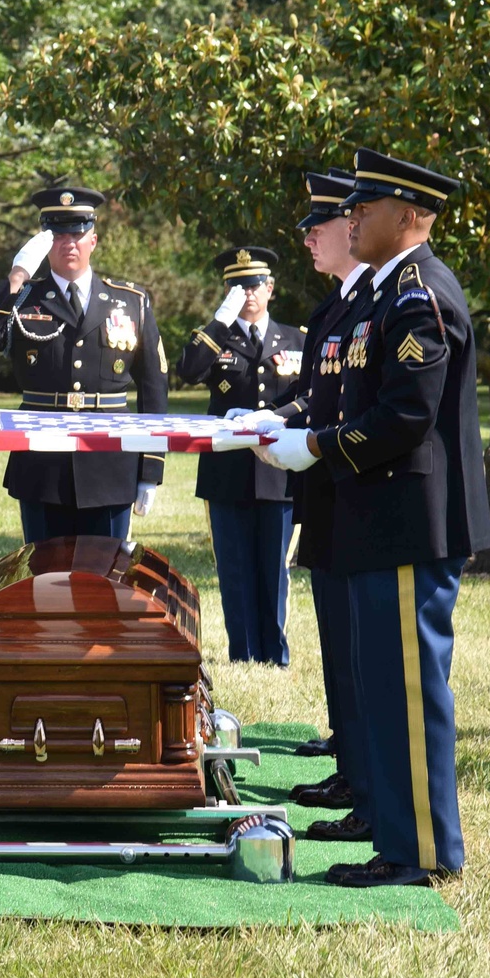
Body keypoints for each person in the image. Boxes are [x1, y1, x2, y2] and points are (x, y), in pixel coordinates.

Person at [256, 148, 490, 887]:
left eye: (369, 207)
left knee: (408, 698)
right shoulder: (389, 292)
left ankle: (422, 852)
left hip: (406, 523)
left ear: (412, 217)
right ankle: (399, 838)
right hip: (381, 520)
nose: (352, 216)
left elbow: (404, 417)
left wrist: (315, 446)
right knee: (384, 695)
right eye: (352, 207)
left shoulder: (419, 294)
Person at [236, 171, 375, 833]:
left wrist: (305, 438)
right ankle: (352, 760)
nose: (308, 239)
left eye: (319, 226)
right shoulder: (335, 309)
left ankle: (364, 769)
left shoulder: (376, 303)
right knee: (339, 640)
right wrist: (277, 420)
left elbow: (372, 410)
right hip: (329, 492)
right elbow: (321, 398)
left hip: (354, 489)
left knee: (358, 647)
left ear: (356, 227)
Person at [0, 186, 169, 542]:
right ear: (43, 243)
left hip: (110, 463)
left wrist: (151, 466)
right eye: (56, 234)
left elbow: (153, 386)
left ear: (93, 240)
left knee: (104, 585)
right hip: (42, 466)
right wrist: (15, 277)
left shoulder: (131, 301)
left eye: (77, 232)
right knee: (44, 584)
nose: (68, 242)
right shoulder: (24, 298)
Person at [177, 247, 304, 665]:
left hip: (278, 471)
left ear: (270, 287)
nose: (246, 293)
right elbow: (188, 370)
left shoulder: (296, 338)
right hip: (226, 471)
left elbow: (309, 395)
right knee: (234, 569)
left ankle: (275, 653)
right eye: (236, 285)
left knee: (274, 568)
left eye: (253, 284)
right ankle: (243, 653)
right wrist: (220, 318)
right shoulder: (218, 338)